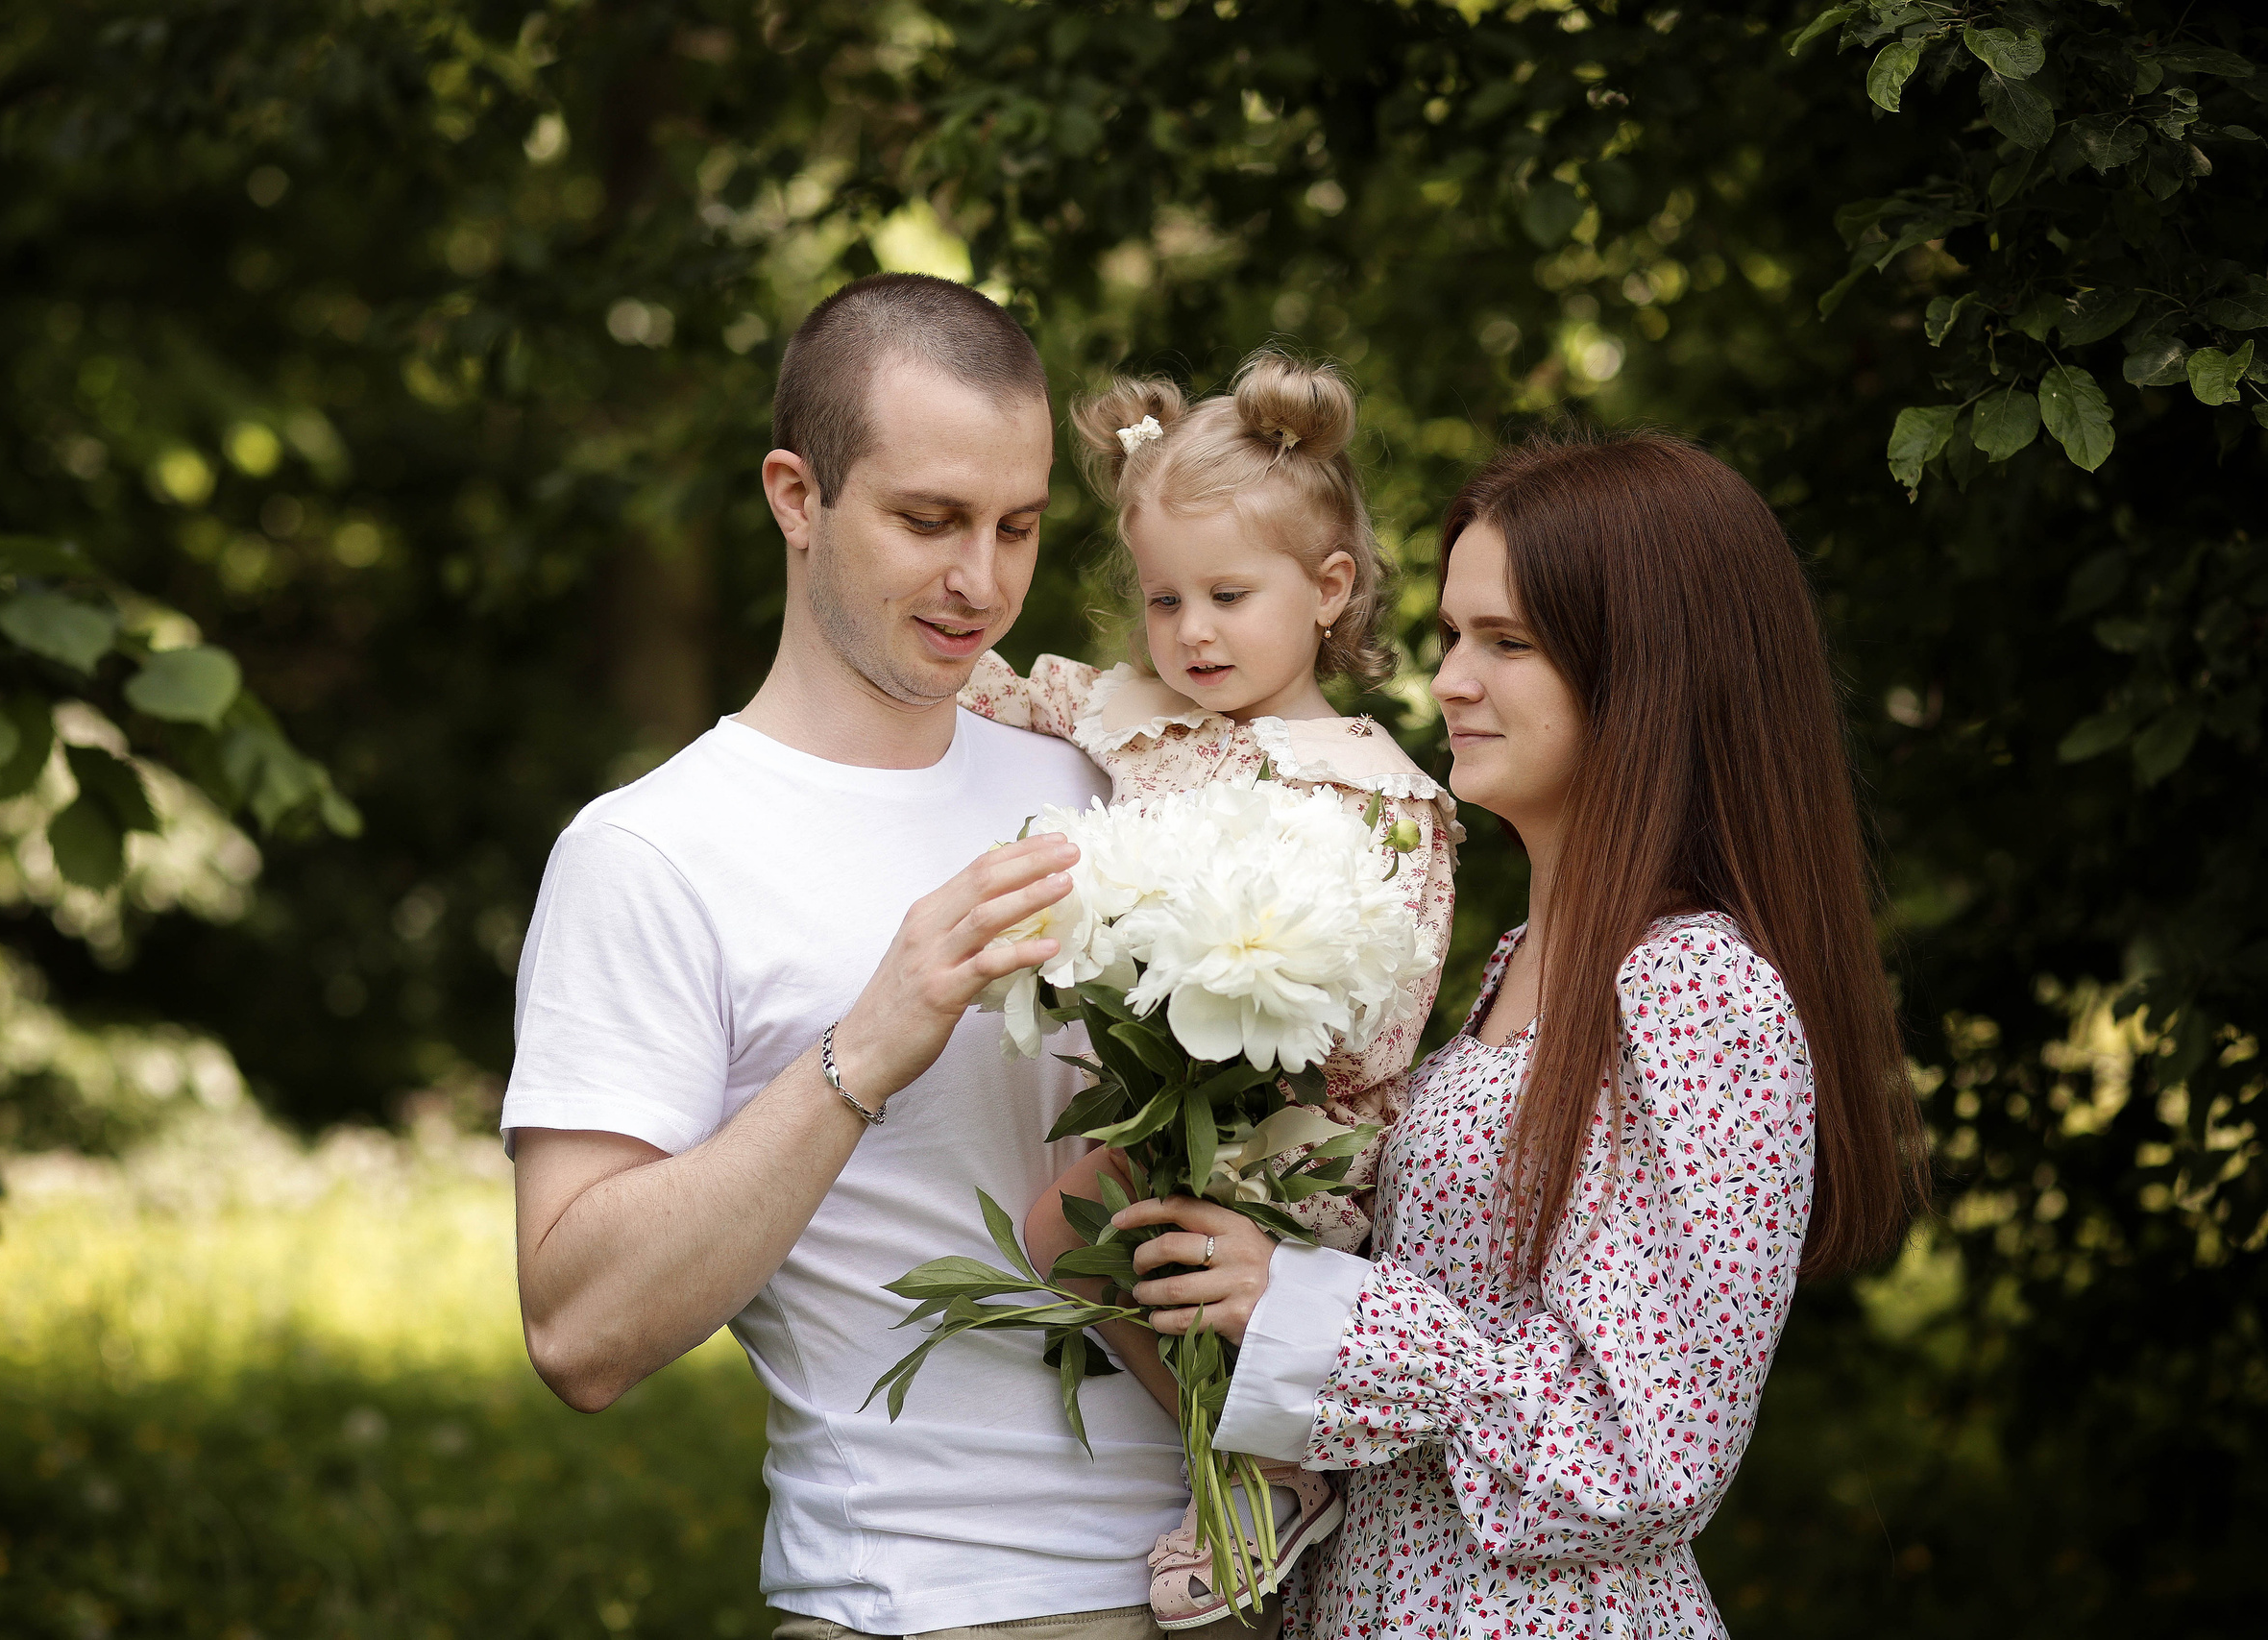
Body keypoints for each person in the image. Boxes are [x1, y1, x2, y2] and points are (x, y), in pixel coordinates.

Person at [1107, 429, 1931, 1636]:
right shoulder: (1517, 966)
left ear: (1648, 673)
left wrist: (1311, 1303)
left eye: (1508, 643)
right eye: (1450, 635)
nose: (1447, 680)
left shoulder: (1697, 988)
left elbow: (1651, 1453)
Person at [502, 272, 1207, 1639]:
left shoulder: (1114, 780)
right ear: (795, 495)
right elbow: (578, 1332)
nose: (982, 582)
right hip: (932, 1600)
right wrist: (862, 1051)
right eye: (928, 520)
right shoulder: (650, 849)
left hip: (1248, 1574)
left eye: (1017, 526)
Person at [956, 351, 1459, 1628]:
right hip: (1156, 1084)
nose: (1192, 630)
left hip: (1298, 1115)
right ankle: (1247, 1455)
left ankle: (1265, 1461)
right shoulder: (1132, 709)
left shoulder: (1371, 786)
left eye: (1229, 594)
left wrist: (1298, 1114)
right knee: (1074, 1224)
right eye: (1165, 595)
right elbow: (991, 686)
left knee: (1084, 1218)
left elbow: (1390, 986)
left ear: (1328, 588)